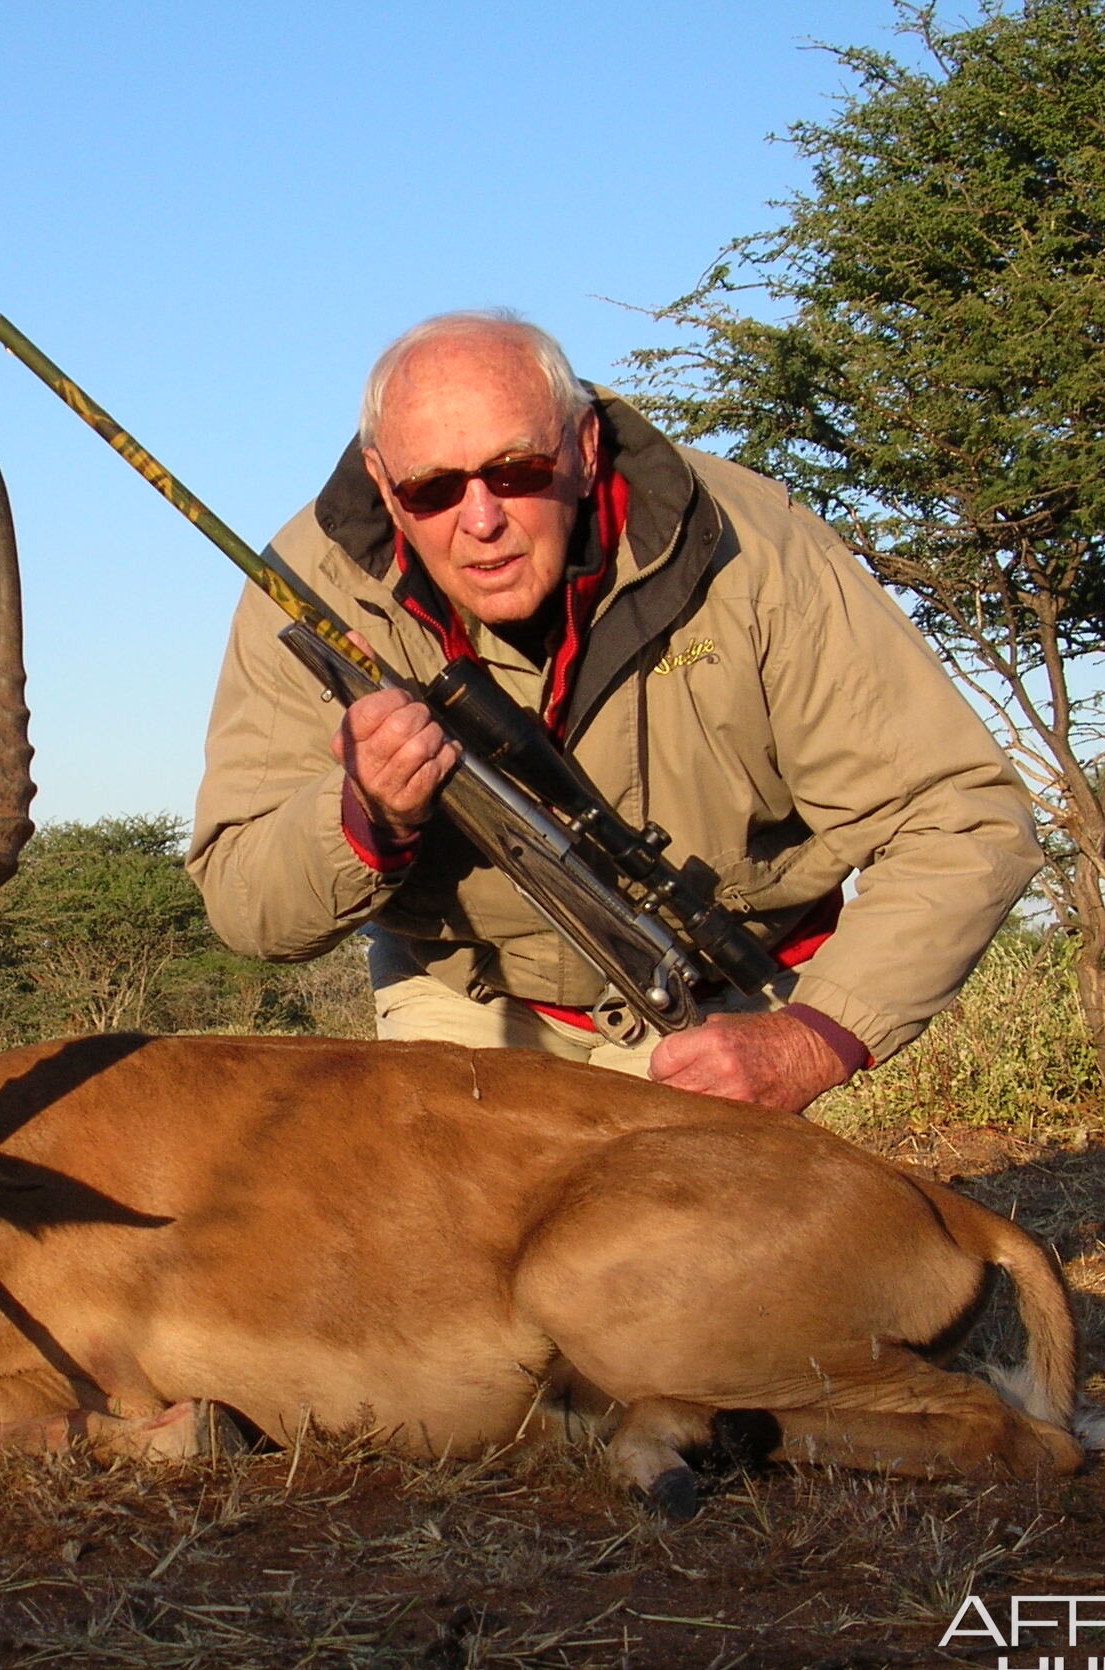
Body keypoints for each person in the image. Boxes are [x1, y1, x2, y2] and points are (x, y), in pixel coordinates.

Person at [186, 311, 1041, 1112]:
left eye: (518, 472)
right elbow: (245, 899)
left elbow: (960, 816)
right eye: (433, 488)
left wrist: (814, 1039)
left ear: (586, 448)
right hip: (466, 996)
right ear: (383, 481)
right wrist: (362, 813)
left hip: (718, 1012)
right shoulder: (303, 586)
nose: (480, 519)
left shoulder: (754, 547)